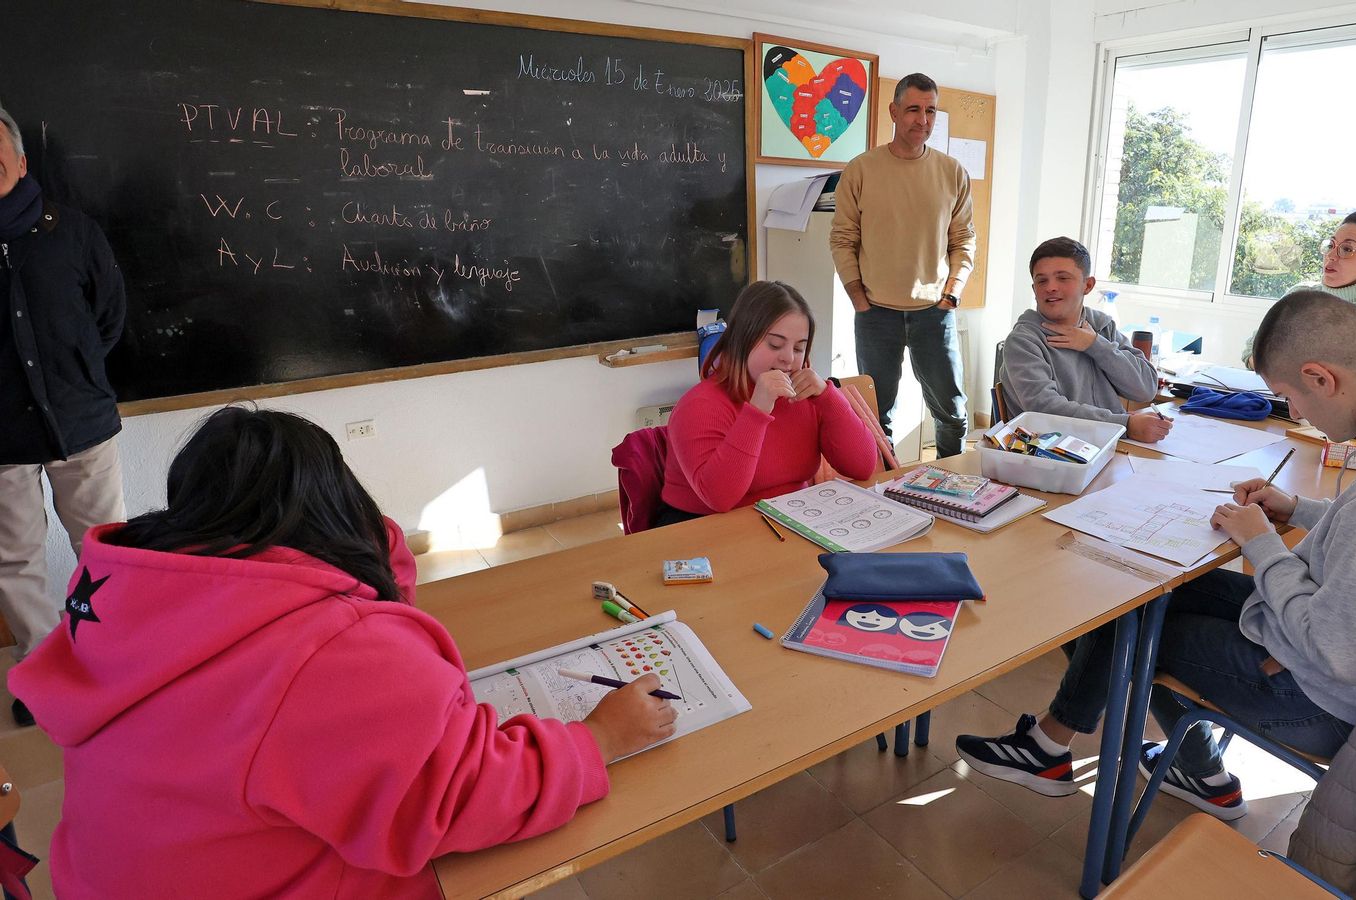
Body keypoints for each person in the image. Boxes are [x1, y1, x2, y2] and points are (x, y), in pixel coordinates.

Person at [6, 407, 676, 898]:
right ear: (334, 502)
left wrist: (356, 542)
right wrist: (599, 740)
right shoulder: (322, 650)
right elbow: (463, 794)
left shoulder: (136, 591)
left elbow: (374, 600)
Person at [958, 290, 1356, 818]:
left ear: (1322, 377)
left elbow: (1343, 652)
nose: (1295, 413)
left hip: (1333, 700)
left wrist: (1262, 544)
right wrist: (1295, 510)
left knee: (1124, 620)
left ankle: (1067, 751)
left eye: (1290, 397)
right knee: (1164, 591)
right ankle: (1174, 766)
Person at [0, 100, 128, 727]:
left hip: (83, 427)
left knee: (105, 550)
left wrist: (73, 379)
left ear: (21, 159)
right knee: (14, 561)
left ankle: (108, 661)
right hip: (2, 438)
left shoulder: (72, 231)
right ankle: (41, 673)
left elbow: (108, 317)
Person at [830, 72, 976, 460]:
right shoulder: (861, 170)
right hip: (876, 314)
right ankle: (887, 494)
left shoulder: (952, 173)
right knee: (877, 419)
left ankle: (953, 487)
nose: (922, 120)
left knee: (953, 414)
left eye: (930, 111)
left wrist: (952, 293)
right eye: (913, 109)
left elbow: (963, 240)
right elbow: (843, 238)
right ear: (894, 112)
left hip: (935, 313)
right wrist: (858, 298)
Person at [657, 280, 878, 525]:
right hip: (703, 526)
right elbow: (719, 498)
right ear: (743, 340)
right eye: (775, 344)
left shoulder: (805, 396)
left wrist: (828, 397)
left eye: (798, 348)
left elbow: (863, 467)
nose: (787, 358)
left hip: (789, 519)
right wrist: (757, 412)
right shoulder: (698, 405)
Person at [1002, 237, 1172, 443]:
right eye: (1042, 280)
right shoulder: (1023, 341)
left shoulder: (1102, 327)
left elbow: (1145, 388)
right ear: (1034, 288)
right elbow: (1043, 409)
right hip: (1054, 456)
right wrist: (1124, 425)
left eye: (1063, 278)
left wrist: (1095, 345)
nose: (1051, 287)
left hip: (1110, 446)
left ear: (1088, 285)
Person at [1242, 210, 1356, 366]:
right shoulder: (1299, 296)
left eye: (1347, 249)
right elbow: (1252, 352)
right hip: (1283, 405)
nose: (1331, 255)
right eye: (1331, 245)